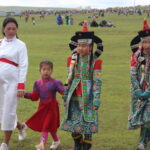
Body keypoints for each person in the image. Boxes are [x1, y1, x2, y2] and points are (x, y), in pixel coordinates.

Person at [61, 23, 103, 150]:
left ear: (90, 47)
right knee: (73, 123)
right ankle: (77, 142)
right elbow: (69, 77)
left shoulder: (95, 62)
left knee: (87, 123)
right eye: (79, 45)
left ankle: (86, 145)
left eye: (84, 46)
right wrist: (65, 94)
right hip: (73, 94)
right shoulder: (72, 60)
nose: (80, 48)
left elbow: (97, 81)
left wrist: (96, 98)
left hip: (88, 96)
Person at [0, 17, 28, 150]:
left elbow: (23, 65)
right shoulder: (0, 43)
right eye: (8, 28)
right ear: (3, 30)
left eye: (14, 28)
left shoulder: (21, 45)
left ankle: (5, 143)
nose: (11, 31)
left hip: (13, 83)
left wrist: (21, 85)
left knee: (9, 112)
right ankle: (21, 126)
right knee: (2, 111)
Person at [23, 60, 64, 150]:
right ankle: (56, 141)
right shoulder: (37, 83)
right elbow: (35, 97)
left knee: (45, 126)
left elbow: (64, 93)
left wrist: (67, 90)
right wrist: (24, 94)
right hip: (42, 108)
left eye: (48, 69)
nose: (46, 71)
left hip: (52, 108)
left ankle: (41, 146)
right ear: (40, 70)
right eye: (44, 69)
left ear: (52, 71)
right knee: (50, 126)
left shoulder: (55, 82)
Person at [128, 19, 150, 150]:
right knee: (143, 116)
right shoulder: (136, 56)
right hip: (138, 90)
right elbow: (133, 74)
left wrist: (148, 91)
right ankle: (144, 140)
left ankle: (142, 142)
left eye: (149, 42)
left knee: (148, 114)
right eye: (145, 42)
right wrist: (137, 90)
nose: (147, 45)